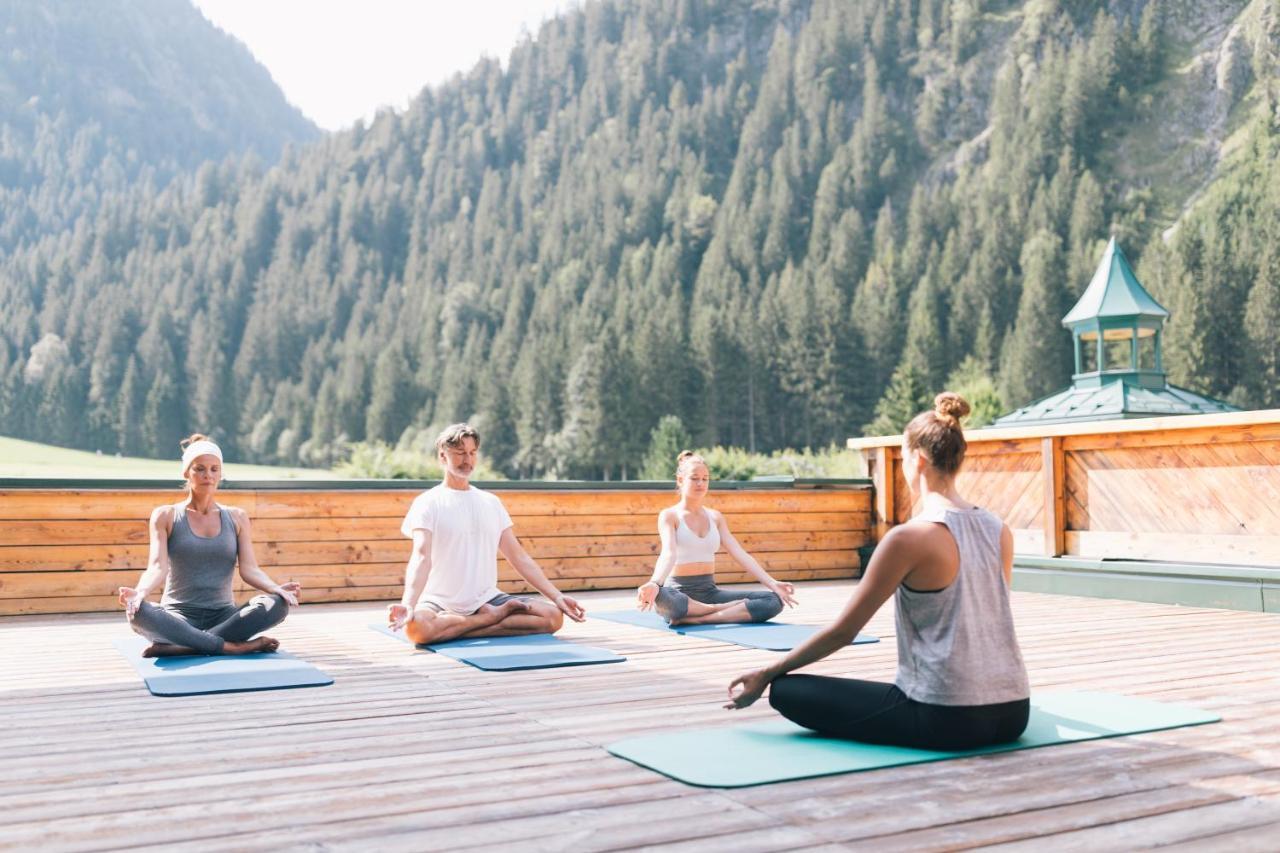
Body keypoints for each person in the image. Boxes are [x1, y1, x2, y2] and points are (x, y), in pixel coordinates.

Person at [725, 393, 1031, 751]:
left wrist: (766, 674)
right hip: (1013, 713)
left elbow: (843, 632)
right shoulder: (998, 529)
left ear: (916, 460)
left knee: (787, 691)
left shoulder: (909, 538)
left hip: (947, 717)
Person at [386, 423, 586, 643]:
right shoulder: (427, 503)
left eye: (472, 453)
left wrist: (557, 597)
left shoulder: (491, 502)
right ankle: (489, 620)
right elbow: (421, 557)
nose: (467, 460)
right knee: (417, 630)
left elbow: (518, 557)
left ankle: (466, 625)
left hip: (487, 599)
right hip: (440, 602)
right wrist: (408, 604)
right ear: (443, 456)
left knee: (552, 617)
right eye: (460, 453)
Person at [118, 434, 300, 657]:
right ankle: (232, 647)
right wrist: (140, 593)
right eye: (200, 469)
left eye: (214, 469)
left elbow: (249, 569)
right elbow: (157, 567)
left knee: (277, 605)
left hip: (224, 615)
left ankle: (186, 645)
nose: (208, 475)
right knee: (139, 613)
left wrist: (275, 589)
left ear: (221, 473)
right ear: (187, 472)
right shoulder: (166, 515)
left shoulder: (237, 517)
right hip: (178, 617)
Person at [636, 451, 797, 625]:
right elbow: (668, 553)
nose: (701, 483)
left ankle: (700, 618)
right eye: (694, 478)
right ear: (680, 480)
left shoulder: (716, 517)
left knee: (772, 601)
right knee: (664, 597)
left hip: (710, 593)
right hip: (679, 593)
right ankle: (719, 610)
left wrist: (773, 583)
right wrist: (655, 582)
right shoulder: (670, 515)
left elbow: (740, 554)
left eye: (705, 479)